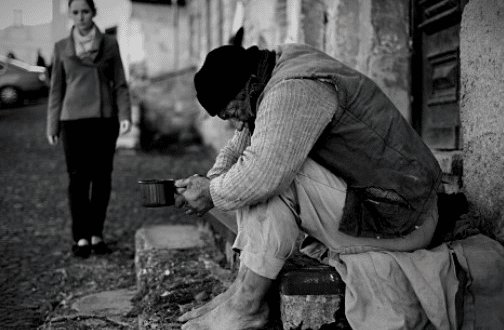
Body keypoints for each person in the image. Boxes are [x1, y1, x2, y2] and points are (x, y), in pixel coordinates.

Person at [174, 41, 442, 330]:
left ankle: (247, 305)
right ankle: (241, 294)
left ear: (249, 86)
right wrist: (207, 182)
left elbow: (261, 174)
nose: (235, 123)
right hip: (390, 207)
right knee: (257, 170)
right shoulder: (272, 73)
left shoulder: (293, 89)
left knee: (266, 177)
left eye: (232, 111)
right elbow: (239, 146)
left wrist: (211, 193)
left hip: (402, 219)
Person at [46, 0, 131, 258]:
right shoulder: (61, 47)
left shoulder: (109, 44)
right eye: (75, 12)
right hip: (72, 121)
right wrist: (52, 124)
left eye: (85, 11)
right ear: (70, 15)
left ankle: (97, 233)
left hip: (104, 119)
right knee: (77, 179)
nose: (81, 17)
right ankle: (80, 236)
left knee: (102, 177)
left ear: (93, 13)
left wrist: (125, 114)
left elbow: (120, 83)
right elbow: (56, 88)